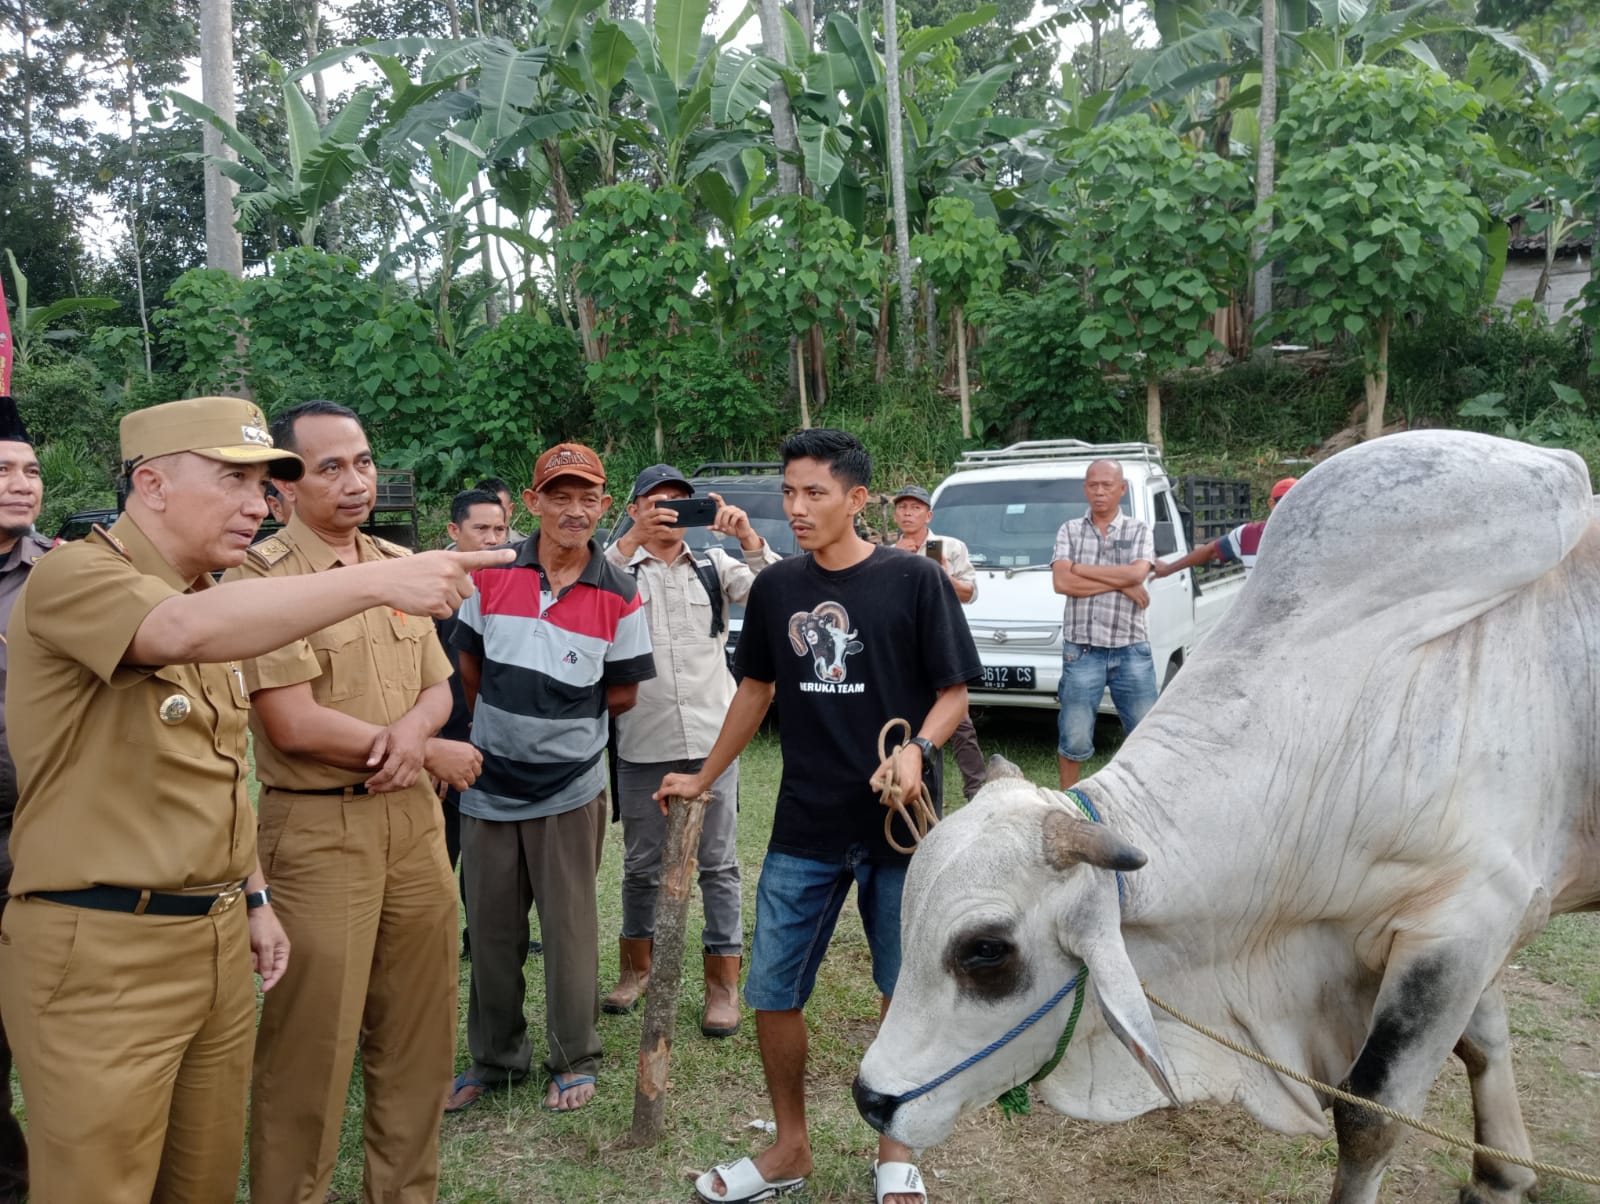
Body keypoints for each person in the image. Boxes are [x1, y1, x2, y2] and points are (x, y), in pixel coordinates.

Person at [0, 395, 510, 1204]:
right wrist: (382, 579)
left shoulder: (212, 590)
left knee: (201, 1184)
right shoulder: (78, 575)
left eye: (263, 483)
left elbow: (217, 771)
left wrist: (253, 894)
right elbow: (185, 637)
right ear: (153, 483)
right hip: (101, 941)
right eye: (235, 480)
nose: (255, 503)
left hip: (214, 933)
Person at [658, 429, 980, 1204]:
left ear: (857, 499)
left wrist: (918, 751)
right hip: (805, 823)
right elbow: (756, 691)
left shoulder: (914, 580)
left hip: (898, 824)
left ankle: (896, 1151)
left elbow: (953, 693)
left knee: (901, 991)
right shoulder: (777, 590)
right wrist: (705, 775)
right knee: (772, 988)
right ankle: (788, 1149)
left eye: (815, 493)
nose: (797, 509)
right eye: (789, 492)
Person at [228, 400, 484, 1204]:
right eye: (329, 467)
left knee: (418, 1040)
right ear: (283, 487)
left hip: (412, 824)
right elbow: (293, 722)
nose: (354, 481)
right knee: (309, 1053)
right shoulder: (260, 581)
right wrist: (415, 745)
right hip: (316, 828)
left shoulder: (396, 564)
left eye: (364, 462)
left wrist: (415, 736)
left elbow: (439, 689)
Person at [444, 443, 654, 1114]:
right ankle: (497, 1058)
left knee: (569, 929)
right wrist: (505, 733)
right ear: (530, 504)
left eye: (586, 497)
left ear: (603, 504)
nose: (573, 510)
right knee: (492, 930)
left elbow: (623, 694)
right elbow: (469, 669)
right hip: (487, 785)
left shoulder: (620, 592)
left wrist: (559, 734)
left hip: (569, 791)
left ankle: (575, 1056)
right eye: (558, 496)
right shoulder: (490, 576)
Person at [601, 464, 779, 1036]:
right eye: (656, 503)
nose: (670, 514)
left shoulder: (715, 565)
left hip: (711, 739)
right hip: (642, 738)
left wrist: (747, 539)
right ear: (633, 510)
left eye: (681, 503)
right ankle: (636, 971)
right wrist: (629, 540)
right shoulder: (617, 565)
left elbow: (779, 592)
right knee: (640, 866)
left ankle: (722, 983)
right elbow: (582, 589)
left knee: (720, 865)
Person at [0, 396, 46, 1203]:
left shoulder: (66, 574)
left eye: (30, 470)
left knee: (46, 1030)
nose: (21, 485)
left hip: (42, 833)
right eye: (3, 471)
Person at [1050, 458, 1156, 789]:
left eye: (1107, 485)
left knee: (1144, 731)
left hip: (1130, 648)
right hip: (1082, 650)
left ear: (1121, 489)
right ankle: (1067, 799)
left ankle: (1149, 794)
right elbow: (1062, 583)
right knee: (1075, 733)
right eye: (1093, 485)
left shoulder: (1138, 529)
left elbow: (1139, 573)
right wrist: (1121, 582)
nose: (1099, 491)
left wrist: (1081, 568)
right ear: (1085, 488)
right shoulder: (1069, 529)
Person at [439, 489, 511, 958]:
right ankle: (434, 937)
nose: (490, 539)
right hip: (443, 742)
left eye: (499, 530)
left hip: (492, 741)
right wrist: (431, 743)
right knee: (440, 850)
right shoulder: (429, 589)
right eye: (480, 529)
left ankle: (480, 938)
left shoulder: (515, 585)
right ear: (454, 532)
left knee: (490, 856)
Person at [890, 483, 987, 801]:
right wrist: (896, 565)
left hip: (941, 643)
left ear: (928, 515)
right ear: (895, 515)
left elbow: (971, 593)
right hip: (903, 649)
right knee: (909, 718)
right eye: (902, 507)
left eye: (915, 507)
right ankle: (911, 784)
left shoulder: (949, 547)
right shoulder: (887, 554)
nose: (908, 513)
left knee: (959, 721)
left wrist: (942, 575)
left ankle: (977, 789)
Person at [1151, 476, 1298, 578]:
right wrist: (1168, 569)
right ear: (1272, 504)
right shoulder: (1248, 535)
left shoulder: (1317, 537)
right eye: (1289, 502)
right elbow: (1210, 551)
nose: (1296, 509)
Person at [475, 476, 528, 542]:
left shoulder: (528, 547)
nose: (491, 518)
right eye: (484, 512)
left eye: (499, 511)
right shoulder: (462, 548)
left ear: (510, 510)